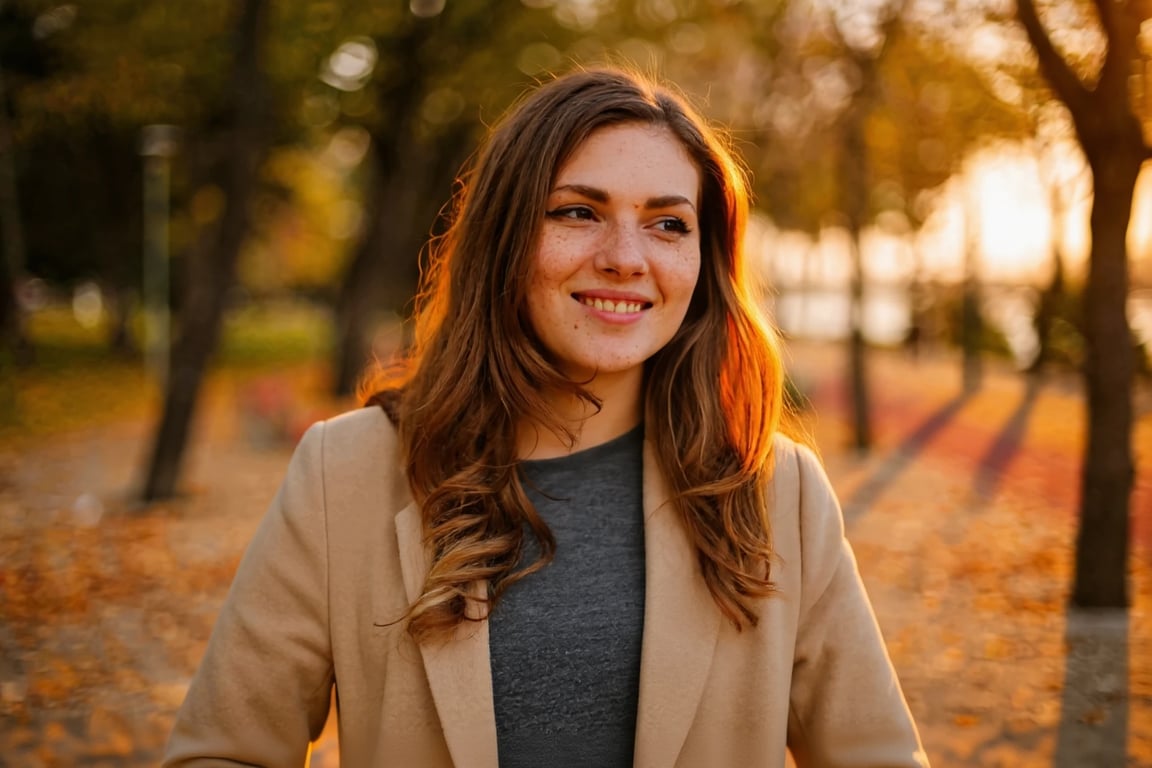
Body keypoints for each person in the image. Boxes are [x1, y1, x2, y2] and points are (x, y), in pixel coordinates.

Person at [163, 67, 929, 767]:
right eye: (576, 212)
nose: (627, 257)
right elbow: (223, 751)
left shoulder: (775, 491)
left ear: (706, 265)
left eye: (668, 224)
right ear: (504, 241)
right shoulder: (347, 473)